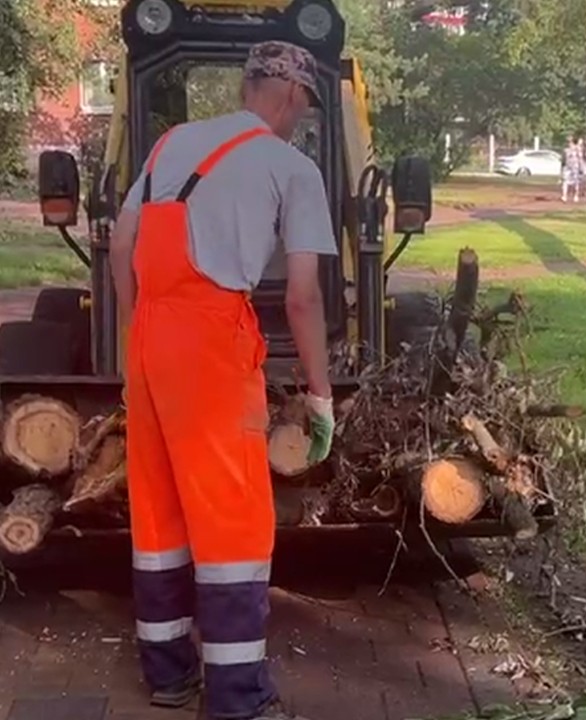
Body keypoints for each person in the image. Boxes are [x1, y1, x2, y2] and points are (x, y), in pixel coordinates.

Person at [109, 40, 336, 720]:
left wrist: (139, 338)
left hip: (149, 340)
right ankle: (237, 697)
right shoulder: (290, 166)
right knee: (232, 521)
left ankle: (169, 678)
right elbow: (303, 297)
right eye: (303, 106)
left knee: (159, 514)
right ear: (293, 95)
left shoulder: (170, 144)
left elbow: (121, 246)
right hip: (212, 346)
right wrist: (320, 393)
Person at [560, 134, 583, 203]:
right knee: (565, 181)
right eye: (567, 141)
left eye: (570, 141)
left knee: (576, 182)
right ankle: (564, 196)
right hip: (567, 167)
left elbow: (580, 158)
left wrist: (581, 167)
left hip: (575, 167)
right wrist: (562, 168)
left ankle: (576, 195)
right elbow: (563, 160)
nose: (568, 143)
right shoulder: (565, 150)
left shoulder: (577, 149)